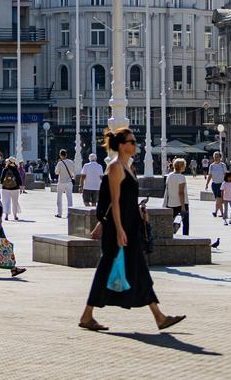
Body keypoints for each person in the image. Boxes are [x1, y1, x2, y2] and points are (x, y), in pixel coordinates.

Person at [79, 127, 184, 333]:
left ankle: (159, 316)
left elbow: (124, 201)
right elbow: (114, 202)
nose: (135, 145)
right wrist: (117, 229)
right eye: (132, 142)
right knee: (107, 267)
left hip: (128, 225)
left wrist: (138, 213)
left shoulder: (128, 167)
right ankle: (87, 315)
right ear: (122, 145)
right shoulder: (115, 167)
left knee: (137, 269)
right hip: (119, 229)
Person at [164, 157, 189, 235]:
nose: (185, 167)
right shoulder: (181, 177)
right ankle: (185, 237)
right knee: (185, 223)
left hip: (171, 202)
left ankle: (168, 235)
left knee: (169, 221)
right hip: (181, 203)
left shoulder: (169, 176)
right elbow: (181, 192)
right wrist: (183, 206)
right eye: (184, 165)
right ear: (181, 167)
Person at [54, 150, 76, 218]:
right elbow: (74, 172)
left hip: (61, 182)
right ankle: (69, 214)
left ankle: (59, 213)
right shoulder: (71, 162)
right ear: (66, 154)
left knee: (59, 198)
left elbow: (56, 172)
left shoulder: (60, 163)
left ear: (60, 155)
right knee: (69, 198)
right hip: (69, 182)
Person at [0, 157, 23, 221]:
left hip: (5, 188)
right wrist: (20, 187)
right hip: (15, 188)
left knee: (6, 202)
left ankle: (6, 215)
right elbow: (19, 178)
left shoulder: (5, 169)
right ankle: (15, 216)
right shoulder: (15, 169)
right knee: (14, 202)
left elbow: (1, 180)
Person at [206, 152, 227, 218]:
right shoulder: (211, 166)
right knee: (218, 199)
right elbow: (210, 175)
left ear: (220, 157)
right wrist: (207, 184)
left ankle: (216, 212)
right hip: (214, 184)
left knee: (218, 199)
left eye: (217, 157)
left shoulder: (223, 165)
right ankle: (221, 213)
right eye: (215, 157)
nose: (216, 158)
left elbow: (226, 175)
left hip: (221, 184)